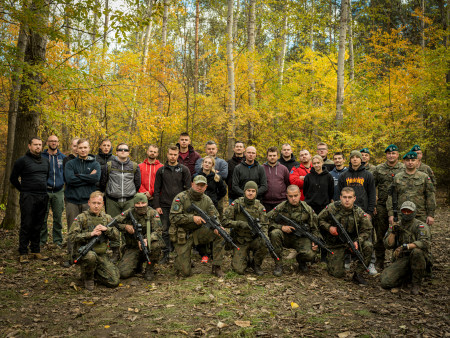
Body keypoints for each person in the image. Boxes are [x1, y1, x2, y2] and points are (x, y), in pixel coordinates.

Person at [169, 175, 225, 277]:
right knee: (184, 273)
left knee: (221, 234)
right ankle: (186, 260)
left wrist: (218, 227)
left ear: (206, 187)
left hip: (199, 232)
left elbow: (214, 216)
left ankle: (217, 266)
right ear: (192, 184)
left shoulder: (207, 200)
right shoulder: (181, 197)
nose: (199, 187)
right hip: (182, 234)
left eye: (202, 185)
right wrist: (192, 218)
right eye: (197, 185)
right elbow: (173, 218)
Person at [318, 187, 373, 285]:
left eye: (349, 197)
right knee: (337, 274)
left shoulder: (358, 212)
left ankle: (358, 274)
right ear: (340, 197)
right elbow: (319, 219)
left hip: (352, 242)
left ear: (354, 198)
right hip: (335, 244)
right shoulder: (332, 208)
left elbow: (367, 229)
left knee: (368, 246)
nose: (347, 200)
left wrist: (357, 241)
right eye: (344, 197)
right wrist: (329, 227)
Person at [68, 191, 120, 291]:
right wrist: (91, 234)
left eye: (98, 203)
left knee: (114, 281)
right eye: (94, 203)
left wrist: (107, 230)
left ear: (102, 204)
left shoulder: (107, 218)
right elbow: (72, 236)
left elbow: (117, 236)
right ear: (89, 203)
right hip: (85, 253)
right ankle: (88, 278)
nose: (96, 206)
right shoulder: (81, 218)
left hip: (101, 253)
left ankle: (95, 271)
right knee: (91, 257)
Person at [10, 137, 50, 263]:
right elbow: (13, 178)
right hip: (28, 197)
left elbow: (46, 177)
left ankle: (35, 250)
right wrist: (24, 190)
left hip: (43, 196)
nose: (38, 147)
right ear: (29, 146)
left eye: (40, 144)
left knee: (38, 224)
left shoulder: (46, 161)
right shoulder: (22, 161)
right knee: (27, 223)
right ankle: (23, 252)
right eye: (35, 144)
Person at [267, 185, 321, 276]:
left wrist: (315, 241)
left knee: (310, 254)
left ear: (300, 194)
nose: (293, 199)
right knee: (274, 233)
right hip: (285, 237)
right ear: (287, 196)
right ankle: (278, 264)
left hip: (301, 238)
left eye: (295, 196)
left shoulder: (307, 209)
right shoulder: (281, 207)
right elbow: (266, 219)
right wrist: (281, 227)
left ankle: (301, 260)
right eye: (290, 196)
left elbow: (315, 228)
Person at [63, 139, 101, 267]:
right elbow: (69, 179)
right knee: (72, 229)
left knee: (88, 228)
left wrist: (78, 176)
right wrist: (87, 177)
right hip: (72, 201)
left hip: (87, 201)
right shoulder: (70, 163)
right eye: (80, 148)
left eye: (85, 147)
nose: (83, 150)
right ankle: (71, 255)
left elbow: (96, 179)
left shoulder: (95, 164)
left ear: (89, 148)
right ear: (76, 149)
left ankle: (86, 254)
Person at [380, 201, 431, 295]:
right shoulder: (396, 225)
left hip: (419, 258)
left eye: (409, 211)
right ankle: (406, 276)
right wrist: (393, 232)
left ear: (414, 212)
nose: (406, 213)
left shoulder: (420, 226)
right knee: (385, 282)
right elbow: (388, 245)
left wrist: (405, 246)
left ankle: (416, 283)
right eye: (404, 211)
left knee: (417, 252)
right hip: (402, 259)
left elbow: (425, 243)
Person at [153, 145, 191, 264]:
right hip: (164, 205)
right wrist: (157, 206)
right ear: (167, 154)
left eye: (175, 154)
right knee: (165, 230)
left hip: (180, 206)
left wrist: (187, 205)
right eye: (170, 154)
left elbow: (188, 189)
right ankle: (166, 253)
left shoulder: (184, 169)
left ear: (178, 155)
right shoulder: (161, 170)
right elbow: (156, 189)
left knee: (181, 229)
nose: (172, 156)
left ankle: (183, 255)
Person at [223, 181, 269, 276]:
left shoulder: (260, 207)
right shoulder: (237, 204)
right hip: (240, 240)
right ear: (244, 191)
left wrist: (264, 236)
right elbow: (224, 221)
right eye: (248, 190)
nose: (250, 193)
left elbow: (264, 225)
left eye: (253, 191)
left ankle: (256, 264)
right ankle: (245, 257)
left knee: (266, 242)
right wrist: (239, 224)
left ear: (256, 192)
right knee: (238, 270)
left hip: (254, 239)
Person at [115, 193, 164, 281]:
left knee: (156, 245)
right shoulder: (129, 212)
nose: (140, 206)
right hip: (133, 246)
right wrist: (125, 226)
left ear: (147, 203)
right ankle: (137, 265)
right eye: (138, 203)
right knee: (123, 273)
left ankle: (150, 268)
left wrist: (147, 239)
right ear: (134, 204)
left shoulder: (152, 213)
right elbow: (114, 222)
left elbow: (158, 231)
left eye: (143, 203)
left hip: (147, 245)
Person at [372, 144, 405, 270]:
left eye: (394, 153)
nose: (391, 155)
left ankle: (396, 260)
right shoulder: (378, 168)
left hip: (399, 206)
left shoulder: (403, 168)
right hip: (381, 206)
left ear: (397, 155)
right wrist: (373, 203)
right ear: (386, 155)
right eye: (389, 153)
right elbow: (372, 186)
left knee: (398, 233)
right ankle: (380, 261)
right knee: (380, 234)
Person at [387, 151, 436, 226]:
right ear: (404, 162)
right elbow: (391, 196)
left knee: (422, 236)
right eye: (408, 160)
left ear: (417, 161)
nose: (410, 162)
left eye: (413, 160)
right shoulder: (397, 177)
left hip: (420, 214)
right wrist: (391, 214)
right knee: (401, 236)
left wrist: (431, 215)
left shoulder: (424, 177)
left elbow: (430, 196)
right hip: (402, 214)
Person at [40, 135, 66, 248]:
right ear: (47, 142)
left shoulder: (63, 157)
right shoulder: (41, 157)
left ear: (58, 143)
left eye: (55, 141)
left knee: (58, 217)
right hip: (44, 191)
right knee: (42, 217)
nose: (53, 143)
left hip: (59, 191)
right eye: (51, 141)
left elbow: (66, 173)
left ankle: (58, 241)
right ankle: (41, 240)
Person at [337, 150, 376, 218]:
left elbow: (372, 194)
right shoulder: (343, 175)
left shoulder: (368, 175)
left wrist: (369, 212)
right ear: (350, 160)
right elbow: (339, 194)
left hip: (363, 210)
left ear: (361, 159)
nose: (355, 159)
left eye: (357, 157)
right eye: (352, 157)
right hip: (346, 211)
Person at [262, 147, 290, 212]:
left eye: (274, 155)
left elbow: (287, 183)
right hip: (265, 202)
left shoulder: (283, 169)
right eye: (270, 155)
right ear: (267, 156)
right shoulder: (261, 168)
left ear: (277, 156)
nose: (272, 157)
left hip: (281, 202)